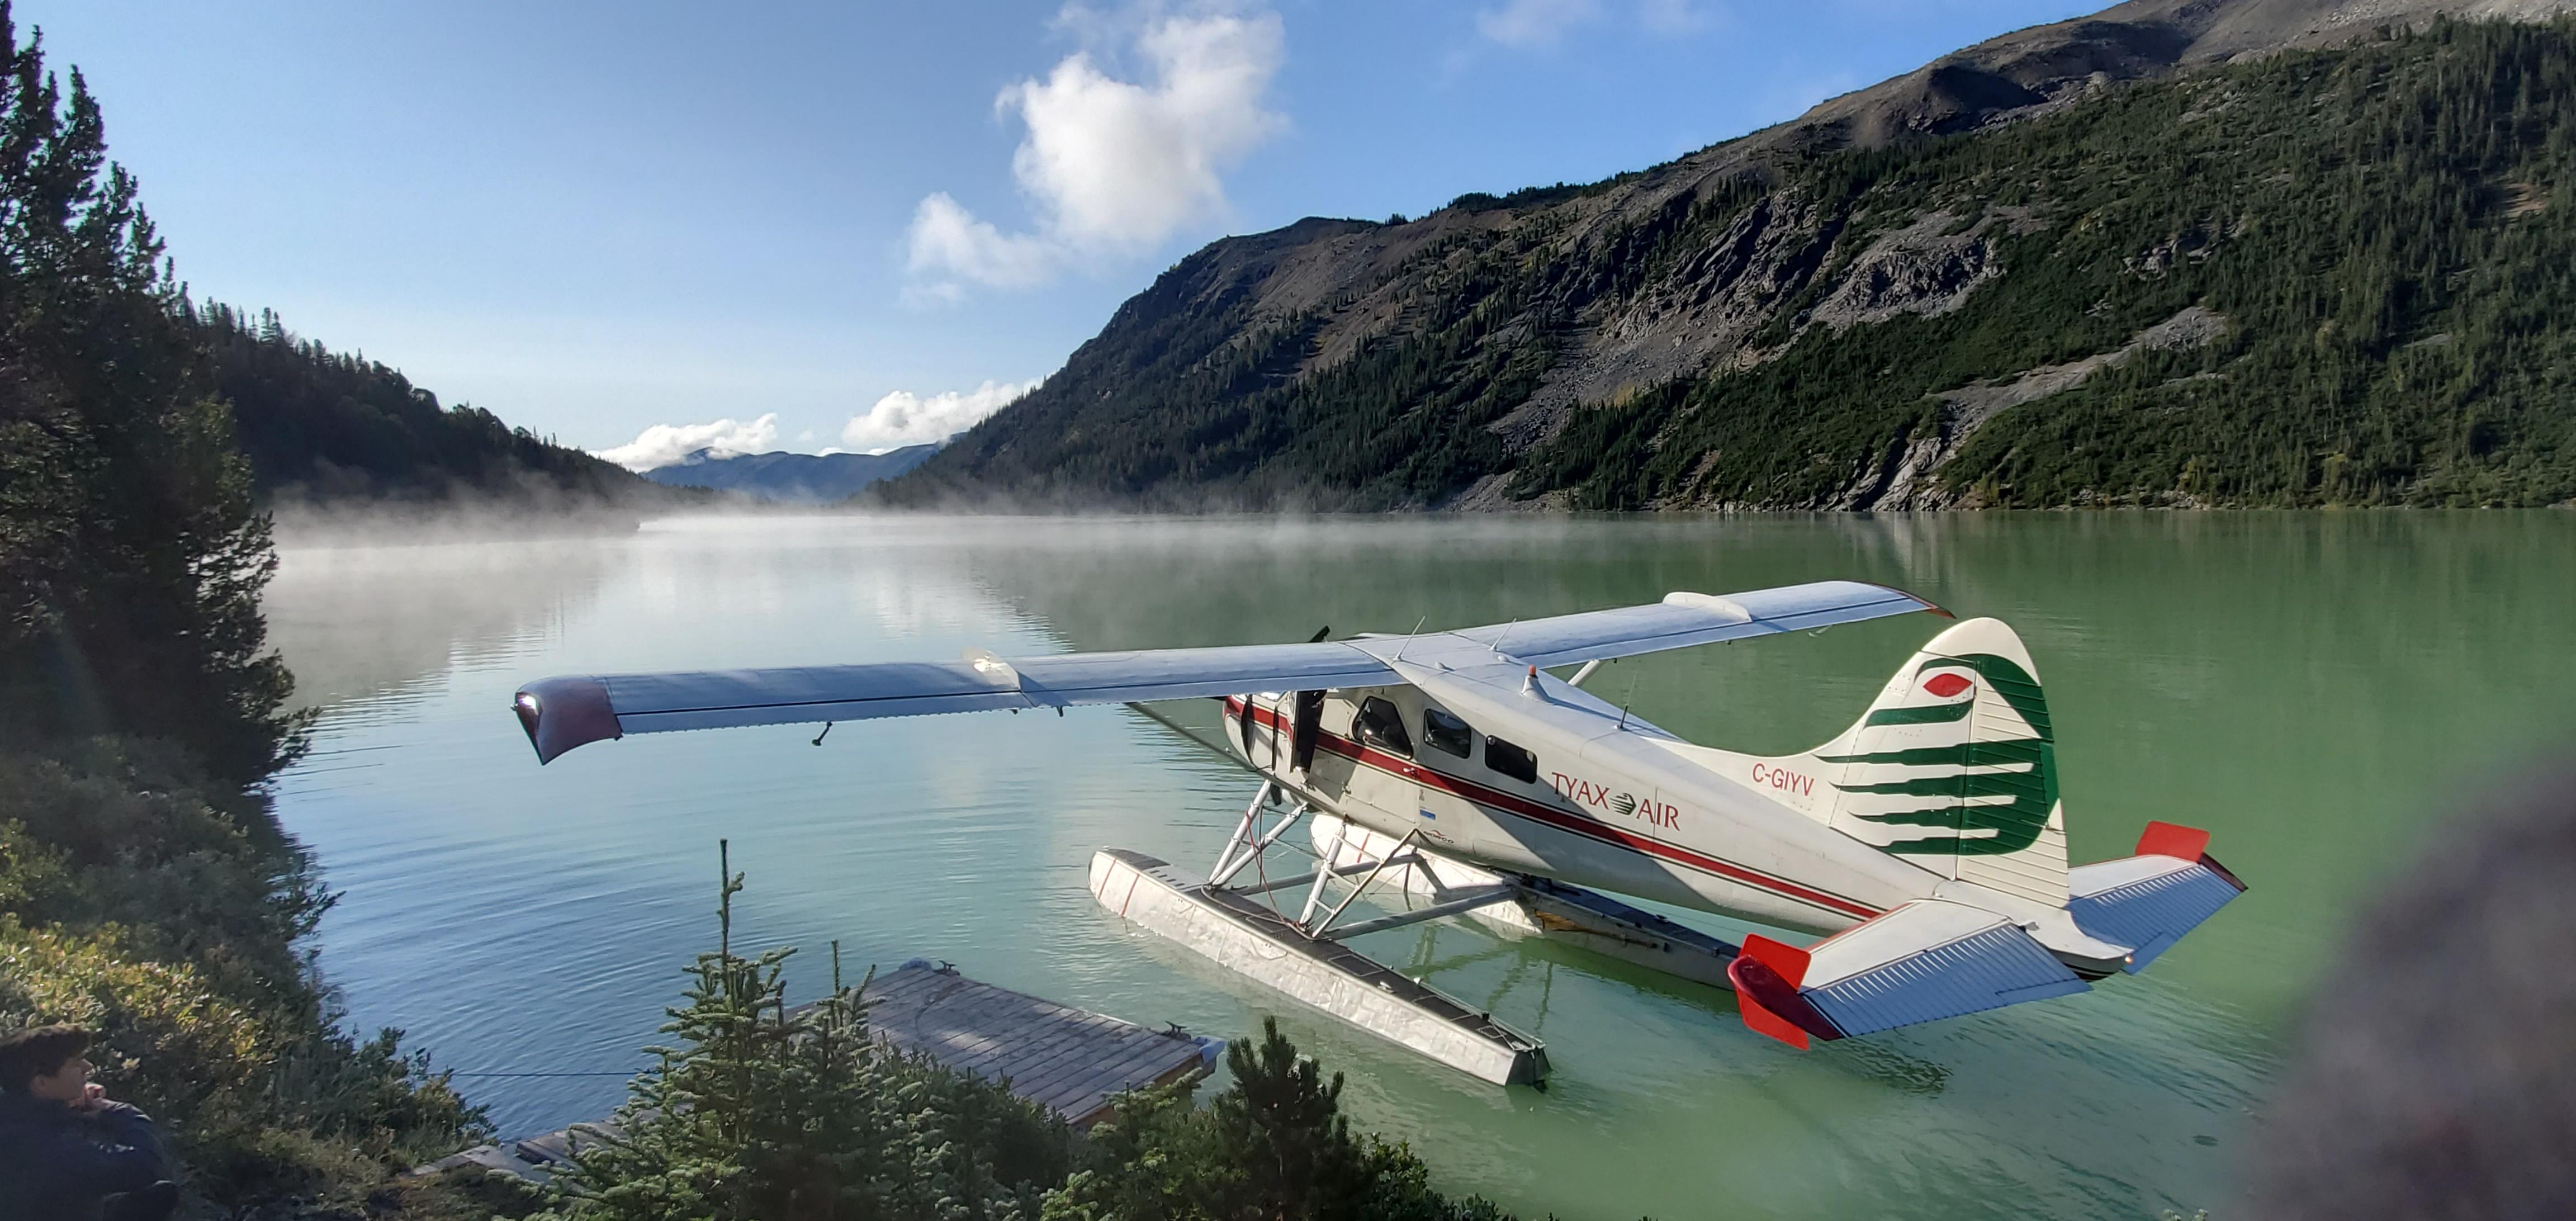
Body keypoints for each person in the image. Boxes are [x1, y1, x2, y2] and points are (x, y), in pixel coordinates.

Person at [0, 1025, 178, 1221]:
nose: (88, 1067)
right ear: (41, 1083)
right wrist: (117, 1111)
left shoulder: (15, 1114)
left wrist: (69, 1101)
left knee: (160, 1195)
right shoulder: (50, 1146)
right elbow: (144, 1166)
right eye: (75, 1063)